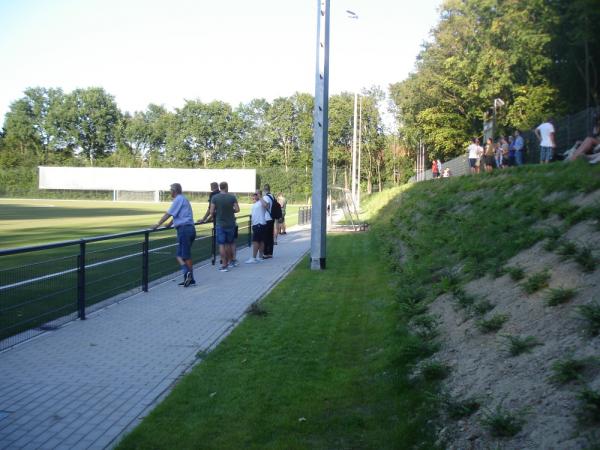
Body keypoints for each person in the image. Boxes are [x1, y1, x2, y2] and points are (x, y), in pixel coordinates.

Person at [152, 183, 196, 287]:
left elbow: (169, 213)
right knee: (180, 255)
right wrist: (170, 224)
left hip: (184, 230)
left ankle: (189, 275)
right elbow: (177, 214)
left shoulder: (178, 199)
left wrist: (157, 225)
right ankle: (188, 277)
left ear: (174, 191)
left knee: (185, 256)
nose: (169, 192)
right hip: (188, 228)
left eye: (170, 190)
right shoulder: (183, 199)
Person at [209, 181, 240, 272]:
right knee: (230, 243)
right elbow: (237, 209)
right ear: (226, 187)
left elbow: (211, 212)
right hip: (230, 224)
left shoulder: (215, 197)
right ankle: (231, 261)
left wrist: (218, 212)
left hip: (220, 224)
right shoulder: (232, 197)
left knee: (222, 244)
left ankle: (224, 265)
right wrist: (231, 211)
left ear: (220, 187)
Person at [246, 190, 267, 263]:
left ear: (259, 195)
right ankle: (260, 257)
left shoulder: (262, 202)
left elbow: (266, 205)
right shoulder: (256, 203)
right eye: (254, 194)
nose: (254, 196)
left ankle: (253, 257)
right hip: (257, 224)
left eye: (255, 194)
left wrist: (260, 197)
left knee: (256, 241)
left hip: (259, 224)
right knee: (261, 241)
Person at [262, 184, 275, 259]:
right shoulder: (272, 196)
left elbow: (266, 206)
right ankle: (270, 253)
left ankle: (265, 253)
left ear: (264, 190)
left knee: (266, 237)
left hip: (267, 218)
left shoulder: (265, 197)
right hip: (272, 218)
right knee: (270, 237)